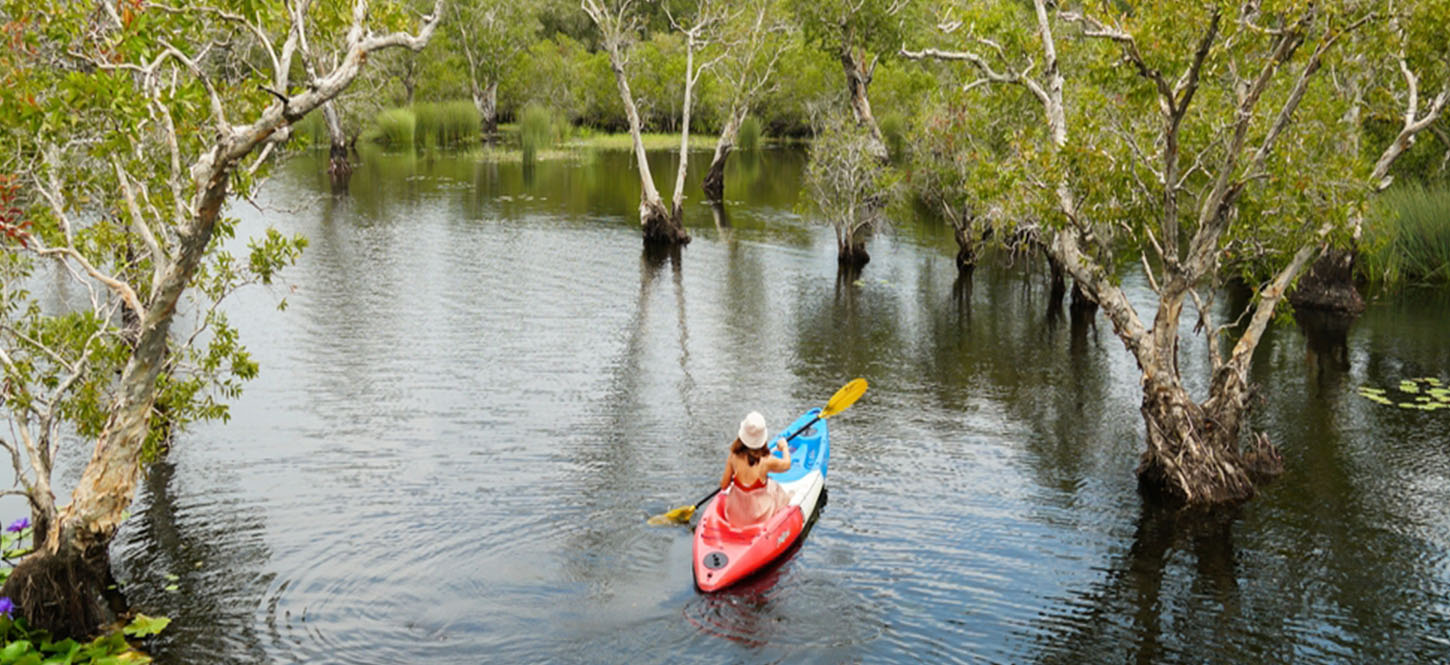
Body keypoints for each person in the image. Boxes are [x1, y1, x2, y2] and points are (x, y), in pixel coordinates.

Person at [718, 411, 791, 526]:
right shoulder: (767, 461)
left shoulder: (733, 456)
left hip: (735, 514)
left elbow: (724, 485)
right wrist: (784, 447)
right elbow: (787, 464)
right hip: (758, 516)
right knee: (775, 488)